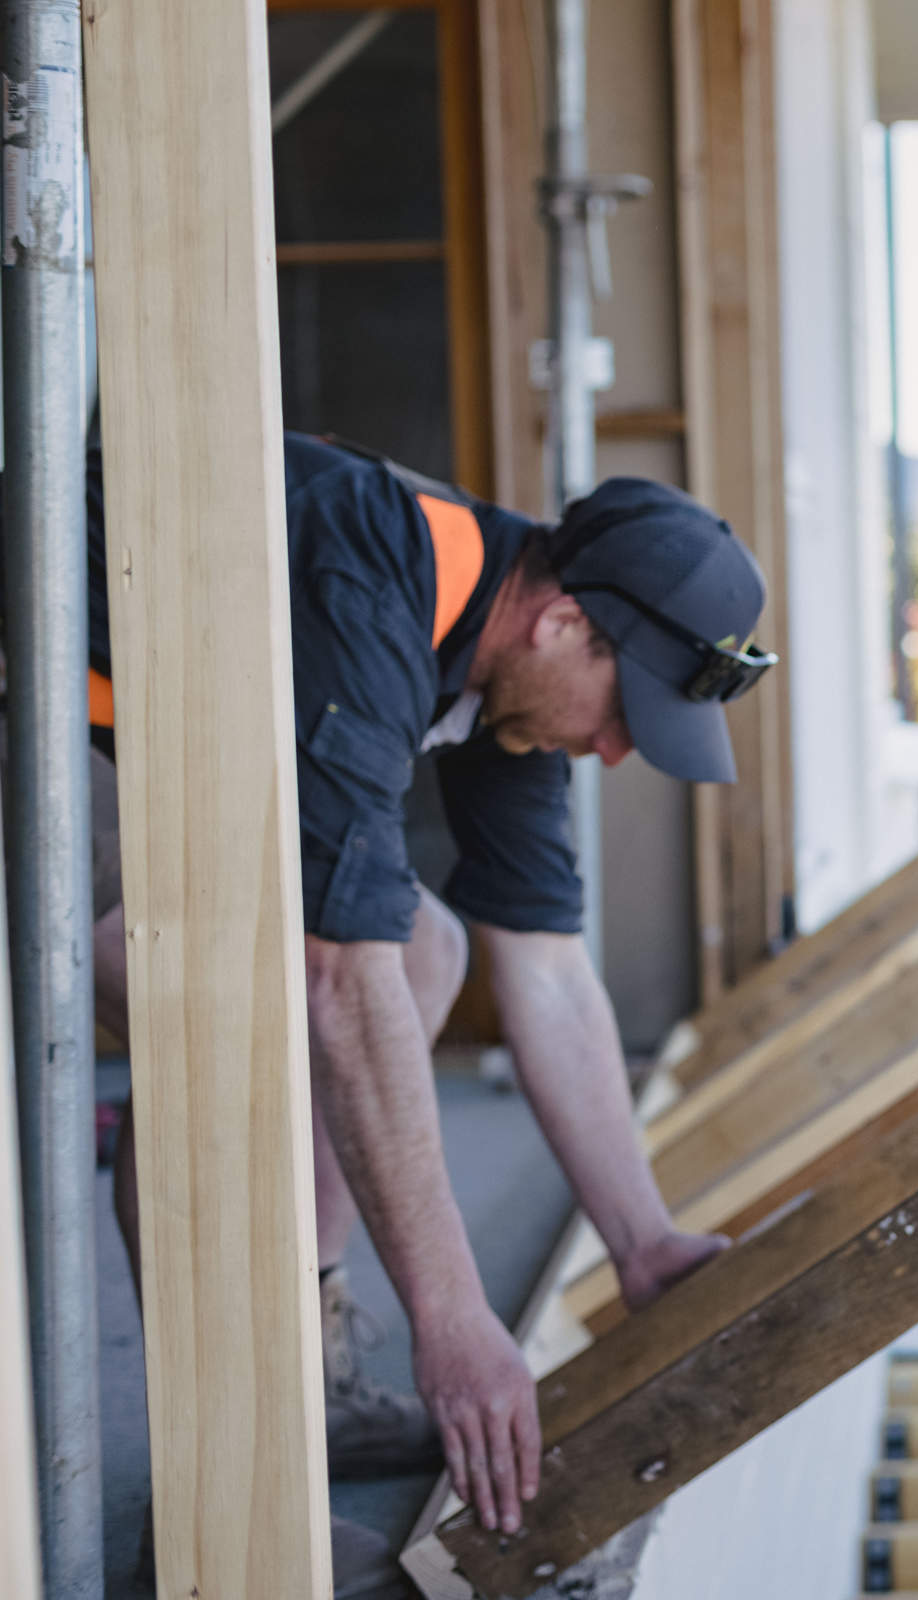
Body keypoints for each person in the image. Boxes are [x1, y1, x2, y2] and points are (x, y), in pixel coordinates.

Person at [26, 433, 769, 1564]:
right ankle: (224, 1491)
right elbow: (332, 973)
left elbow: (549, 969)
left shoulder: (505, 663)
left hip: (126, 736)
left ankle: (304, 1368)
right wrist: (455, 1319)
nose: (617, 751)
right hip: (34, 701)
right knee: (246, 996)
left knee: (425, 949)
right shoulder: (375, 568)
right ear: (565, 622)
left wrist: (643, 1241)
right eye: (628, 712)